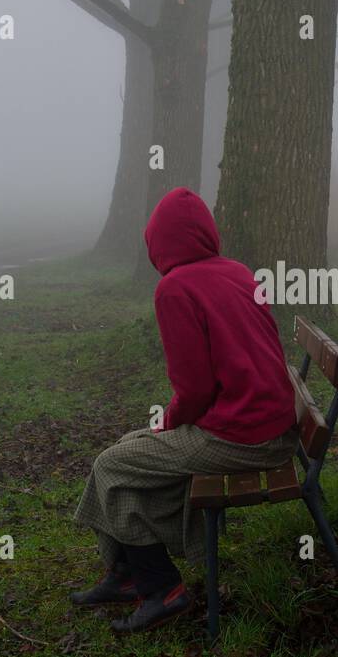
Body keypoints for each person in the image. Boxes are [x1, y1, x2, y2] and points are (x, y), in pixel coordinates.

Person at [72, 187, 298, 634]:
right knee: (127, 448)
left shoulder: (174, 289)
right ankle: (126, 575)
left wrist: (169, 424)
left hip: (243, 436)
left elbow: (193, 390)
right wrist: (167, 426)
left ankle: (162, 590)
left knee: (113, 465)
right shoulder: (237, 272)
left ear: (158, 242)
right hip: (270, 424)